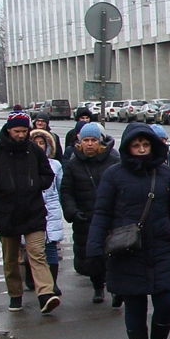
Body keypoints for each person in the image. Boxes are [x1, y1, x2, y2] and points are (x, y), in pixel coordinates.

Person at [90, 123, 170, 339]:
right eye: (136, 145)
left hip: (162, 246)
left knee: (167, 303)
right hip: (128, 248)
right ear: (128, 147)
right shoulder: (113, 175)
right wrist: (95, 247)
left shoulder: (163, 174)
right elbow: (102, 212)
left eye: (145, 145)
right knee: (136, 307)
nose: (141, 150)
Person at [0, 112, 59, 314]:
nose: (21, 135)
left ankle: (45, 294)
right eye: (17, 131)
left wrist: (34, 184)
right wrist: (2, 185)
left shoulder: (34, 151)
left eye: (24, 131)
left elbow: (48, 175)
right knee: (11, 258)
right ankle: (15, 295)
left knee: (37, 254)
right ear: (9, 130)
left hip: (33, 211)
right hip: (7, 213)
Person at [59, 122, 117, 304]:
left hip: (111, 217)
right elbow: (66, 192)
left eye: (93, 140)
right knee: (92, 256)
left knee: (114, 254)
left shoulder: (114, 161)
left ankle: (116, 289)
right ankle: (98, 287)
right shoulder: (73, 164)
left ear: (100, 142)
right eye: (86, 140)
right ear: (80, 142)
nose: (90, 144)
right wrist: (72, 211)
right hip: (85, 218)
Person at [29, 129, 68, 288]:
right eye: (35, 143)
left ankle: (52, 284)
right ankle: (34, 280)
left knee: (51, 246)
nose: (39, 146)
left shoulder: (55, 165)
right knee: (33, 248)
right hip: (31, 207)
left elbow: (60, 188)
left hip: (51, 209)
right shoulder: (26, 163)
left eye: (42, 143)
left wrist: (62, 206)